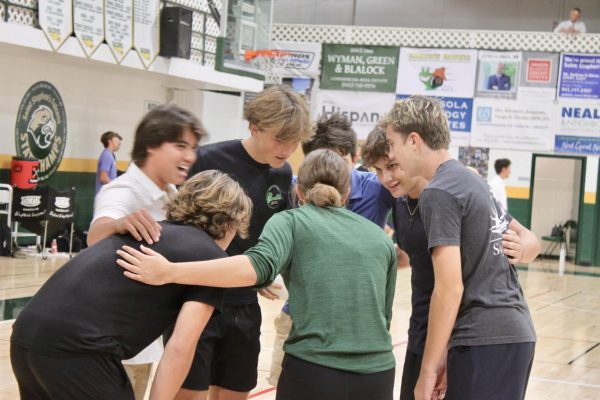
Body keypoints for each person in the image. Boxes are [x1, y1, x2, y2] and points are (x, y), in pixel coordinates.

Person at [117, 149, 398, 400]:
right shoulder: (381, 238)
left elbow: (253, 268)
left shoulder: (291, 221)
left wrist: (169, 271)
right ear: (347, 191)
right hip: (378, 375)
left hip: (315, 371)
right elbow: (383, 317)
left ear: (298, 191)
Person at [10, 170, 252, 400]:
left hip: (26, 336)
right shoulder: (212, 260)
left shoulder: (150, 231)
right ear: (231, 222)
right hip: (79, 350)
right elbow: (180, 347)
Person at [362, 127, 541, 400]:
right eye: (378, 169)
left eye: (393, 166)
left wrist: (522, 249)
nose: (386, 177)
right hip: (422, 332)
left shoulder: (452, 189)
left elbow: (529, 238)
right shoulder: (396, 200)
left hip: (461, 335)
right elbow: (414, 257)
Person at [177, 85, 312, 400]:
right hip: (198, 298)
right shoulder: (207, 160)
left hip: (245, 305)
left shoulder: (283, 173)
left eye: (294, 141)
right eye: (280, 139)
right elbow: (180, 227)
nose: (287, 148)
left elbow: (277, 233)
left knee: (235, 392)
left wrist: (265, 269)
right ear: (255, 127)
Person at [266, 113, 395, 386]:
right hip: (302, 319)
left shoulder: (379, 188)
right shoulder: (293, 191)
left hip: (360, 327)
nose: (329, 173)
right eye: (319, 164)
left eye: (338, 162)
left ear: (355, 156)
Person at [88, 104, 203, 399]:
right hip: (108, 342)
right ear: (152, 145)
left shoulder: (171, 193)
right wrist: (118, 224)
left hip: (142, 338)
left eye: (192, 147)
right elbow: (95, 236)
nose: (190, 155)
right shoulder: (123, 190)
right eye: (180, 146)